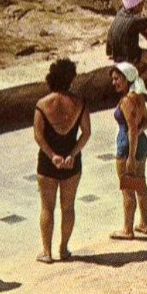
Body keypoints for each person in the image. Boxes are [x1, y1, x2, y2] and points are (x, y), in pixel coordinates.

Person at [33, 58, 90, 263]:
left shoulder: (42, 104)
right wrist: (72, 154)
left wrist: (52, 156)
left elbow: (38, 135)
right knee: (68, 207)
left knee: (47, 208)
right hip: (71, 163)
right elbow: (86, 133)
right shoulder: (80, 103)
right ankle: (64, 249)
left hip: (48, 163)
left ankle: (46, 252)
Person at [108, 62, 147, 241]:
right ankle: (144, 223)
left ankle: (127, 229)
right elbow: (146, 121)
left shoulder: (126, 101)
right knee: (140, 184)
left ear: (127, 78)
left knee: (128, 189)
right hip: (143, 144)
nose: (114, 82)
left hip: (128, 148)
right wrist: (139, 132)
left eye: (117, 79)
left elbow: (132, 129)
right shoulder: (139, 96)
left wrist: (130, 157)